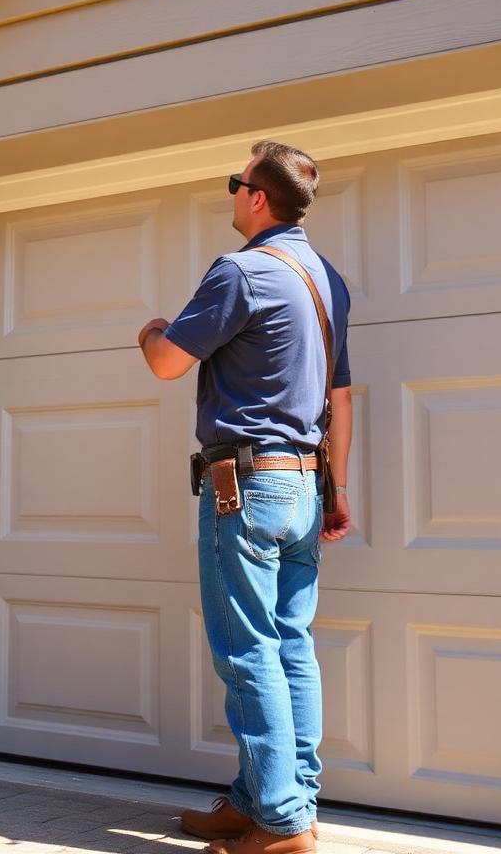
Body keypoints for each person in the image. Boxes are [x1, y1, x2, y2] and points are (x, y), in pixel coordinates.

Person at [138, 141, 352, 854]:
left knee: (248, 651)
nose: (233, 193)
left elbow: (170, 364)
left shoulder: (242, 270)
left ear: (258, 197)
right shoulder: (327, 281)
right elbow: (339, 396)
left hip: (246, 485)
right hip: (302, 484)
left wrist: (152, 331)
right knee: (290, 647)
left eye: (237, 183)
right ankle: (268, 799)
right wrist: (337, 489)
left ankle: (282, 825)